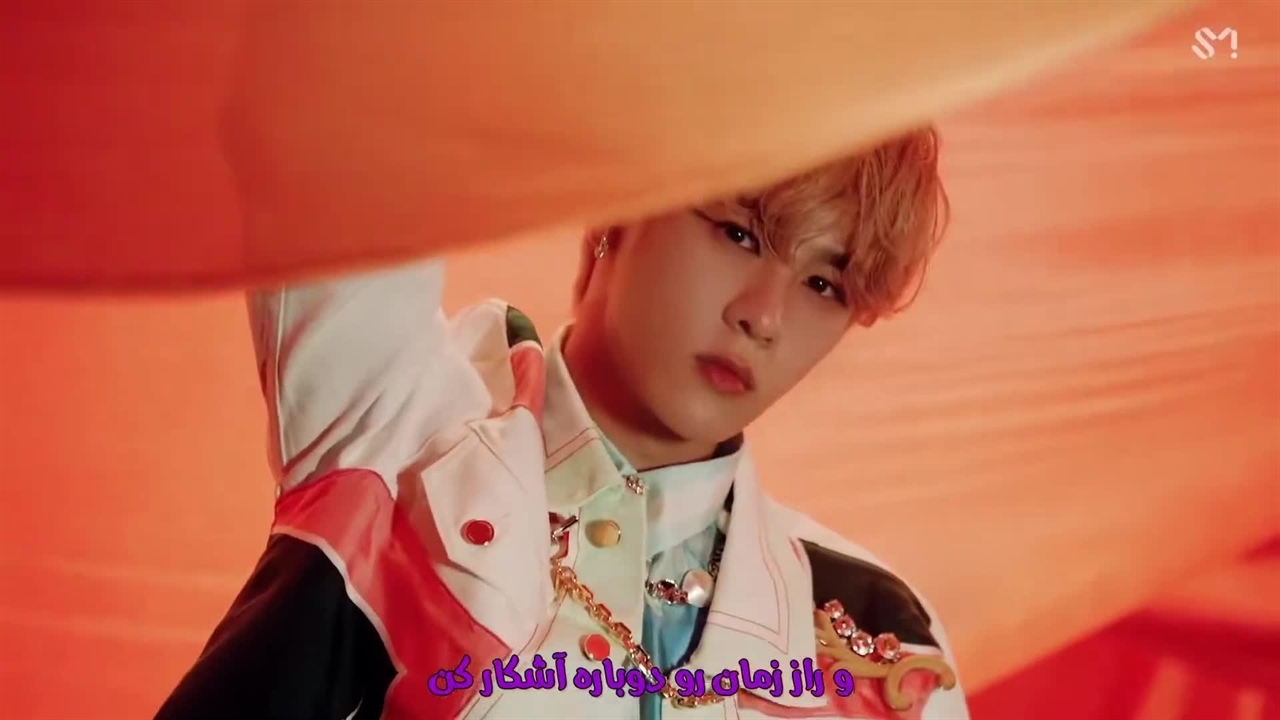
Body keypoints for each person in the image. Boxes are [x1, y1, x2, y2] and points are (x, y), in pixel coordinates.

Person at [155, 126, 969, 720]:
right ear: (621, 206)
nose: (764, 315)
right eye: (740, 233)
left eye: (825, 285)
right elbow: (332, 113)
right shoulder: (399, 430)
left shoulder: (884, 644)